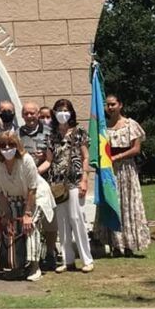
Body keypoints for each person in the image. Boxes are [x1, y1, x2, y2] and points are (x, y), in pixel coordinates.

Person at [0, 132, 56, 281]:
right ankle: (17, 265)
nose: (7, 148)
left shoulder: (26, 160)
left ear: (18, 146)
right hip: (12, 198)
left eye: (11, 145)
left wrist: (27, 214)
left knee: (29, 227)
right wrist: (6, 212)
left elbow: (33, 188)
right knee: (12, 228)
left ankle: (34, 266)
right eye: (3, 145)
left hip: (36, 196)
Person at [94, 93, 150, 256]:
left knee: (128, 204)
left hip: (126, 169)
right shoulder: (103, 127)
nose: (110, 108)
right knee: (113, 203)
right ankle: (115, 245)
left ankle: (129, 244)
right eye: (107, 105)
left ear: (120, 105)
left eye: (113, 104)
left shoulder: (130, 124)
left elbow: (136, 148)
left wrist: (116, 157)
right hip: (109, 171)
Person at [45, 99, 94, 273]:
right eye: (59, 110)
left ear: (71, 112)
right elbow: (49, 161)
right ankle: (68, 260)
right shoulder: (51, 136)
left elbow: (85, 157)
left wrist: (84, 179)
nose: (62, 113)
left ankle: (87, 259)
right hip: (57, 184)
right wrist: (34, 171)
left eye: (66, 110)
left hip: (74, 180)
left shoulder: (79, 132)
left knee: (76, 217)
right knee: (63, 221)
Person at [18, 100, 57, 269]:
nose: (29, 116)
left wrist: (35, 174)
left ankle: (50, 253)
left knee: (49, 220)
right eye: (26, 113)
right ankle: (30, 256)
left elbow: (49, 160)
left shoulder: (49, 133)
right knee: (30, 219)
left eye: (32, 113)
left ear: (37, 114)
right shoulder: (18, 134)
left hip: (46, 179)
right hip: (26, 183)